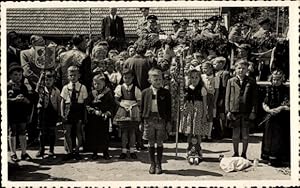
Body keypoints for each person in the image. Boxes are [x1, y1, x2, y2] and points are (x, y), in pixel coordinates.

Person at [140, 68, 172, 174]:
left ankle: (159, 164)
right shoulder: (145, 92)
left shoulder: (165, 93)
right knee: (150, 142)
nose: (158, 82)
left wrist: (168, 121)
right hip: (149, 120)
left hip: (161, 120)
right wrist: (141, 122)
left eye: (160, 79)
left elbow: (169, 109)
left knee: (159, 142)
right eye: (156, 80)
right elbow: (142, 108)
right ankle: (152, 164)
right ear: (150, 80)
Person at [225, 60, 257, 159]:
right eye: (239, 68)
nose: (241, 70)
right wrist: (228, 110)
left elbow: (254, 98)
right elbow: (227, 96)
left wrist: (253, 111)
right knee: (235, 134)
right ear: (235, 69)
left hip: (246, 111)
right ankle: (235, 153)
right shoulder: (231, 81)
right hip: (234, 111)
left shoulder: (251, 81)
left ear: (247, 69)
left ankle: (244, 153)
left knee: (245, 135)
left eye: (243, 68)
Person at [261, 70, 290, 166]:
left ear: (282, 79)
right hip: (270, 115)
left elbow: (287, 103)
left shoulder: (286, 90)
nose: (275, 81)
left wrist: (280, 108)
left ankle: (278, 159)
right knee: (269, 136)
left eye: (278, 79)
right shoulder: (269, 89)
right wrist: (268, 110)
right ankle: (268, 157)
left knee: (279, 137)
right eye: (274, 79)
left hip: (281, 116)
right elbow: (264, 103)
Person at [60, 66, 88, 161]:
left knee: (78, 132)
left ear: (79, 76)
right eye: (71, 75)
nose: (73, 77)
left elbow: (84, 103)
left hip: (78, 110)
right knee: (67, 132)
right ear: (68, 76)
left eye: (75, 75)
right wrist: (62, 113)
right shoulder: (65, 88)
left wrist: (84, 115)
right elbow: (63, 101)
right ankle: (69, 151)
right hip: (68, 110)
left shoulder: (82, 87)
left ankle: (77, 151)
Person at [85, 72, 115, 160]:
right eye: (95, 84)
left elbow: (112, 105)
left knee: (104, 135)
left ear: (104, 84)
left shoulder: (108, 93)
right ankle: (95, 152)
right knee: (94, 135)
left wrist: (108, 113)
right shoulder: (91, 93)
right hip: (94, 118)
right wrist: (93, 111)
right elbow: (87, 105)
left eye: (99, 84)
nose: (96, 85)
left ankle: (105, 152)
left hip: (104, 117)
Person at [180, 69, 207, 161]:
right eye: (192, 77)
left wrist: (204, 115)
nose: (194, 79)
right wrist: (183, 107)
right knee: (190, 132)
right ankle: (190, 149)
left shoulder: (202, 89)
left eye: (196, 77)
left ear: (200, 78)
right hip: (189, 110)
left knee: (197, 132)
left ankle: (198, 149)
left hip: (198, 110)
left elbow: (204, 103)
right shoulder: (187, 89)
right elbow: (184, 101)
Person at [114, 69, 142, 159]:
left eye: (129, 78)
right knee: (124, 131)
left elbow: (139, 101)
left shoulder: (136, 89)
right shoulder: (120, 87)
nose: (127, 80)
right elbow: (116, 100)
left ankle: (132, 150)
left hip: (133, 109)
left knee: (132, 131)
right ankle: (124, 151)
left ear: (133, 78)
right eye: (125, 78)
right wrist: (122, 104)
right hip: (123, 108)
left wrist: (133, 105)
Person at [7, 63, 32, 162]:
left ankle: (24, 152)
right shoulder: (7, 86)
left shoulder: (23, 87)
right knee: (12, 131)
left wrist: (25, 99)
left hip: (22, 112)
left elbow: (29, 100)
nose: (18, 77)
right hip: (12, 112)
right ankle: (13, 153)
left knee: (22, 131)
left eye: (20, 75)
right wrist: (14, 99)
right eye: (15, 75)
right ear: (10, 75)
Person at [35, 70, 61, 158]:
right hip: (43, 113)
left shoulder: (56, 91)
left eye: (50, 80)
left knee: (52, 131)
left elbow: (58, 103)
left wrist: (59, 114)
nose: (48, 82)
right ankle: (41, 149)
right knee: (42, 132)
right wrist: (40, 78)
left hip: (52, 113)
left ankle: (51, 149)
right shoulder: (42, 89)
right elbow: (37, 89)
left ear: (54, 80)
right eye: (46, 80)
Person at [213, 57, 230, 138]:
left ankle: (223, 131)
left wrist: (222, 99)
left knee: (222, 114)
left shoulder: (225, 73)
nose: (214, 65)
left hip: (221, 96)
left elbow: (224, 87)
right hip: (216, 96)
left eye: (215, 63)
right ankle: (218, 131)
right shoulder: (215, 73)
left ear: (221, 64)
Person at [201, 61, 219, 141]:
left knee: (210, 116)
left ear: (211, 68)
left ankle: (209, 134)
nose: (204, 70)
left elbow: (217, 90)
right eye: (203, 68)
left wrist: (215, 101)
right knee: (203, 115)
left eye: (206, 68)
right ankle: (203, 134)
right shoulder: (201, 76)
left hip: (211, 97)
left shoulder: (216, 78)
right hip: (202, 97)